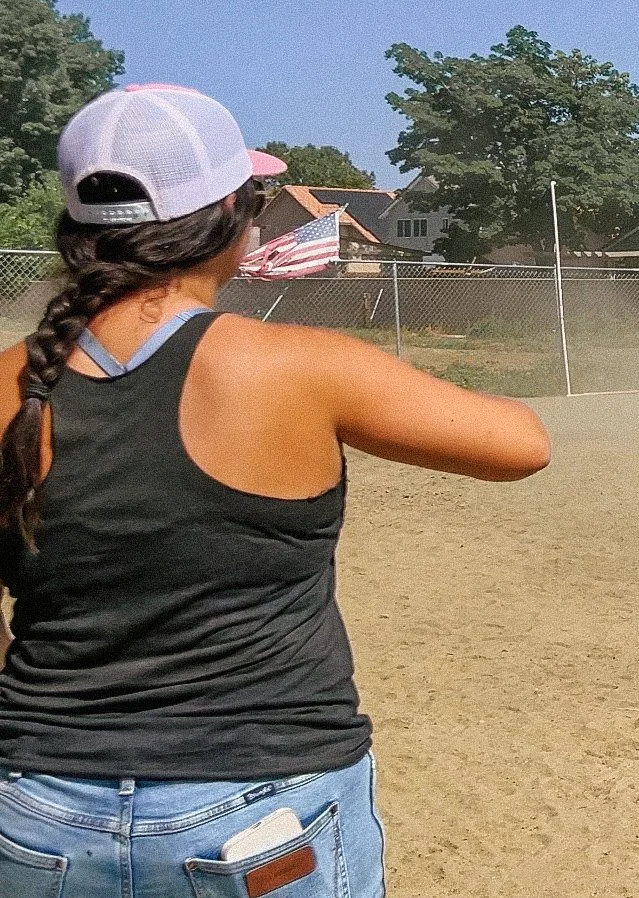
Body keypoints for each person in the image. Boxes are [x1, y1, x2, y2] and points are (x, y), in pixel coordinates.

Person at [0, 84, 550, 898]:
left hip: (38, 813)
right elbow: (523, 445)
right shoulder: (296, 366)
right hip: (260, 808)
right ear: (231, 215)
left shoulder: (12, 382)